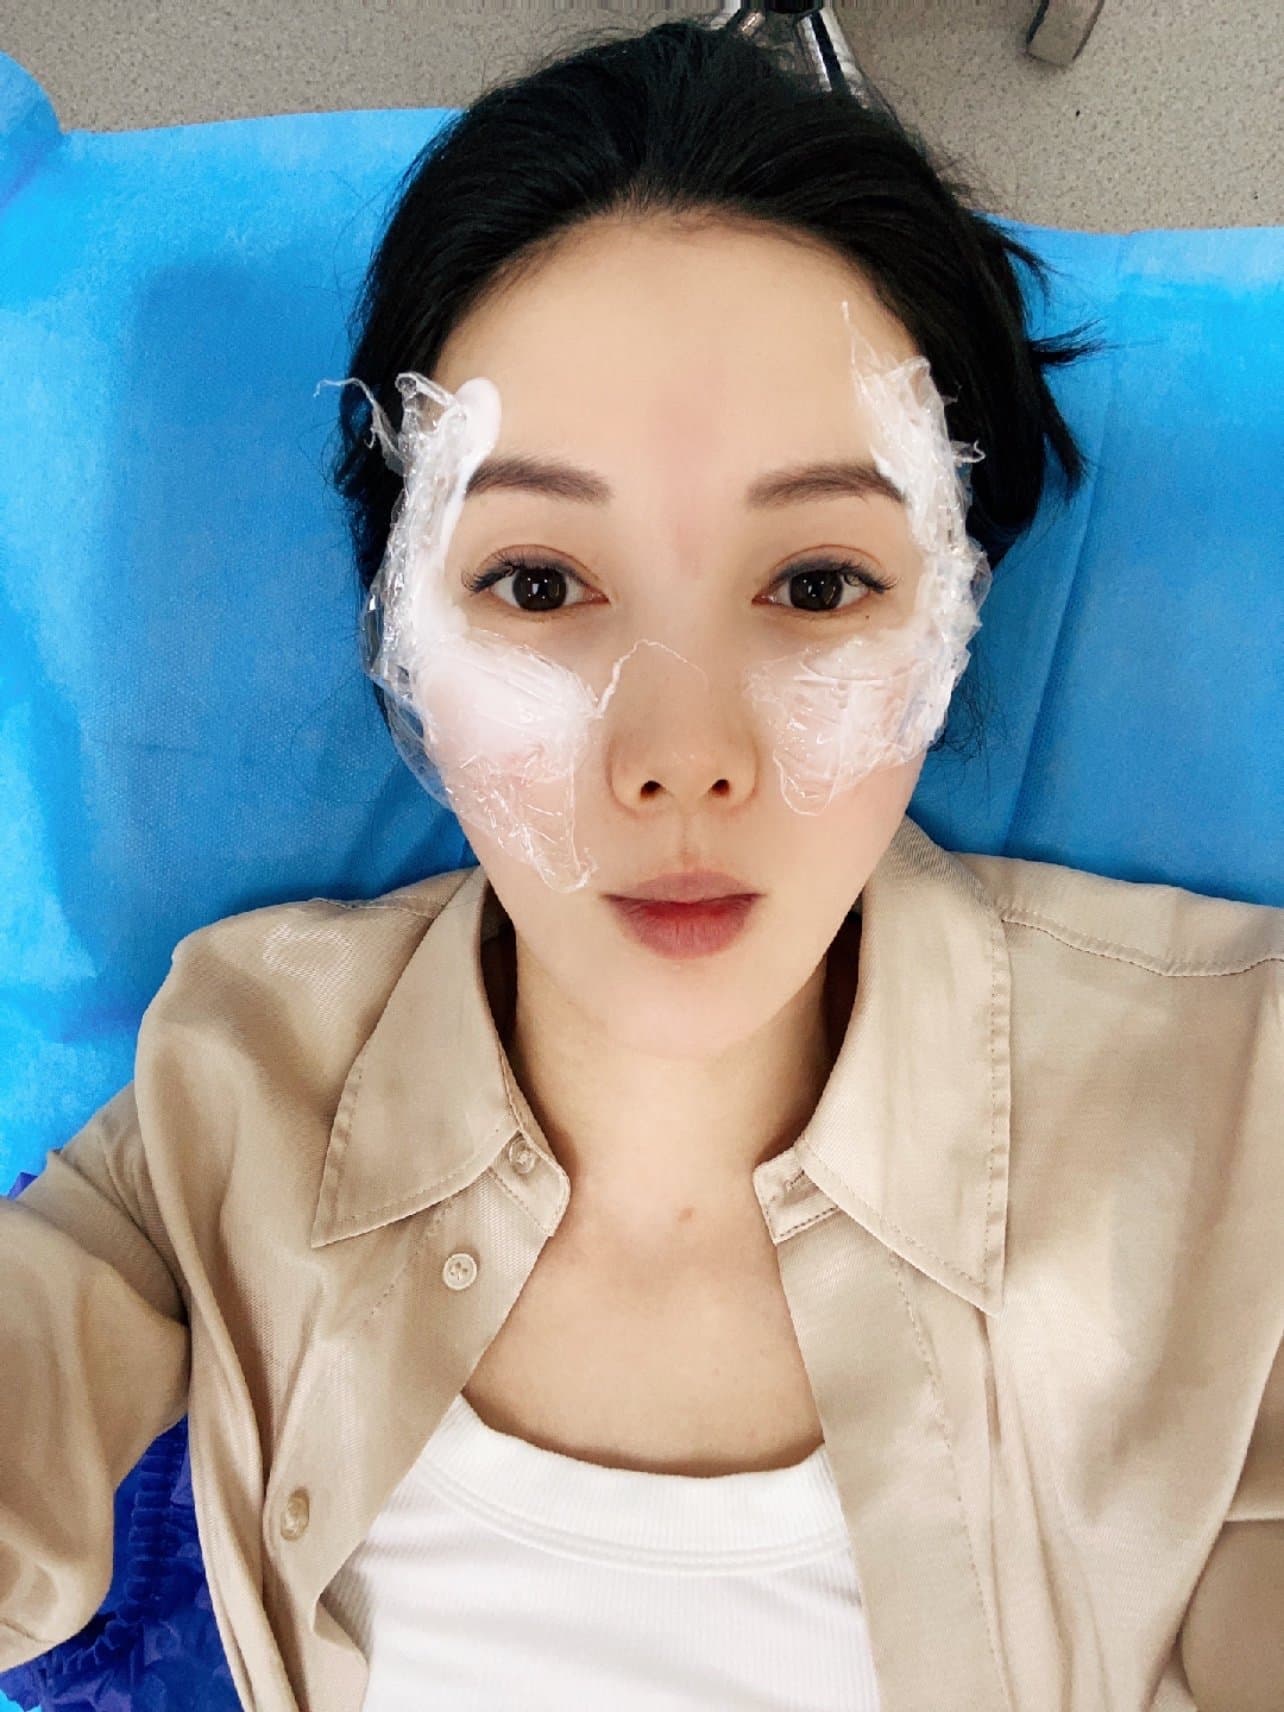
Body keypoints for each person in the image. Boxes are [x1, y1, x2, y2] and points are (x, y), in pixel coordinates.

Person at [2, 17, 1280, 1712]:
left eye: (816, 585)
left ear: (957, 617)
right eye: (539, 585)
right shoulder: (231, 1077)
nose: (681, 752)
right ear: (400, 640)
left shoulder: (1243, 1121)